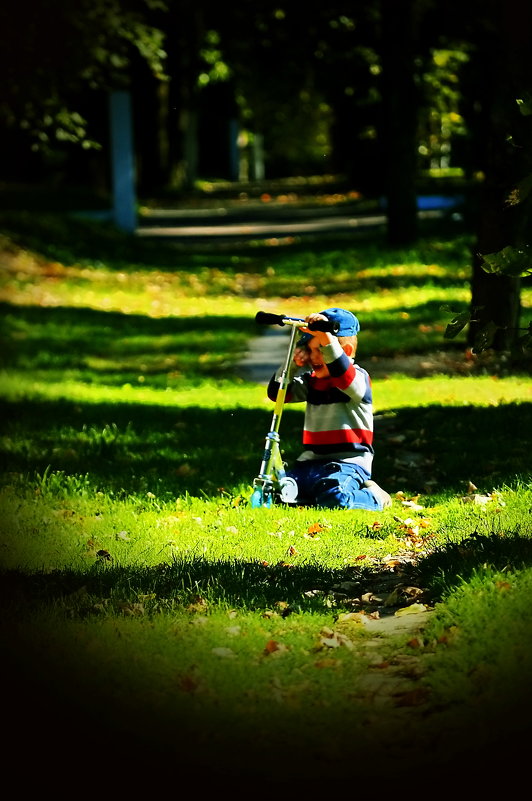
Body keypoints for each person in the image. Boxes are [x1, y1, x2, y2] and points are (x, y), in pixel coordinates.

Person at [267, 307, 391, 511]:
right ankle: (314, 494)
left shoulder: (357, 380)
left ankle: (374, 496)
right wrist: (292, 364)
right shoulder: (312, 382)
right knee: (280, 492)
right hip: (310, 463)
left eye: (321, 350)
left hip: (347, 464)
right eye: (311, 350)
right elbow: (277, 393)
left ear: (347, 352)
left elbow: (343, 375)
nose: (315, 357)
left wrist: (326, 338)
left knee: (335, 496)